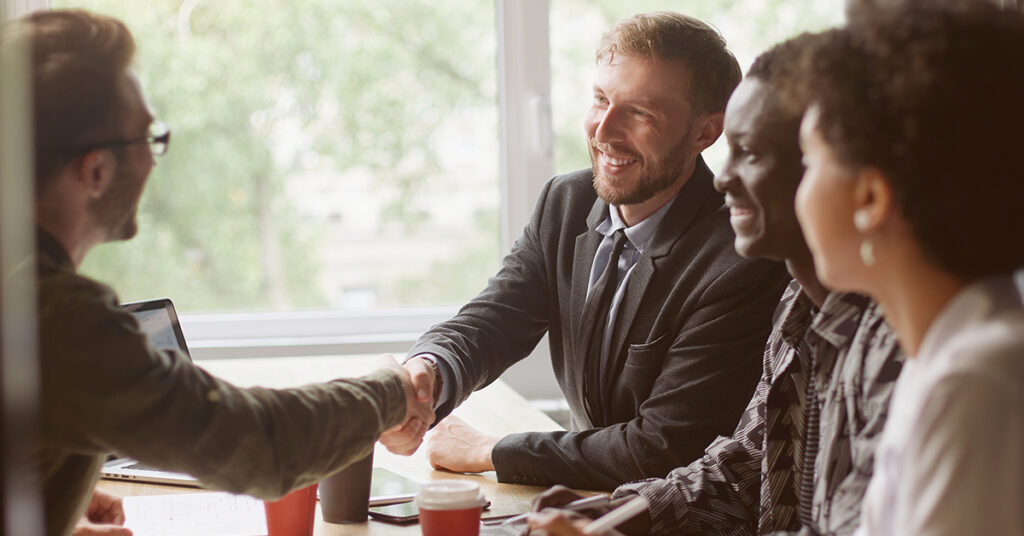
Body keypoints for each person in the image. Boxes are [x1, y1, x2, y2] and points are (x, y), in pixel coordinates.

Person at [4, 10, 434, 536]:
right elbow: (262, 443)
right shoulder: (60, 317)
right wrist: (391, 393)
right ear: (95, 170)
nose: (154, 160)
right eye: (147, 139)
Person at [380, 11, 791, 491]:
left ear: (705, 133)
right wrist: (427, 374)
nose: (604, 130)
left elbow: (662, 448)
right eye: (600, 99)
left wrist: (489, 450)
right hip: (580, 502)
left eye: (640, 113)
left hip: (667, 514)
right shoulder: (566, 202)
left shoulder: (740, 258)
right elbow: (495, 320)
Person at [526, 31, 905, 536]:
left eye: (751, 154)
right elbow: (745, 466)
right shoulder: (799, 305)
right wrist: (620, 514)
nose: (722, 180)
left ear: (865, 185)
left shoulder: (899, 346)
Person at [793, 5, 1024, 535]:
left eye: (808, 162)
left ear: (870, 199)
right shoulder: (942, 358)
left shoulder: (974, 381)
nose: (797, 192)